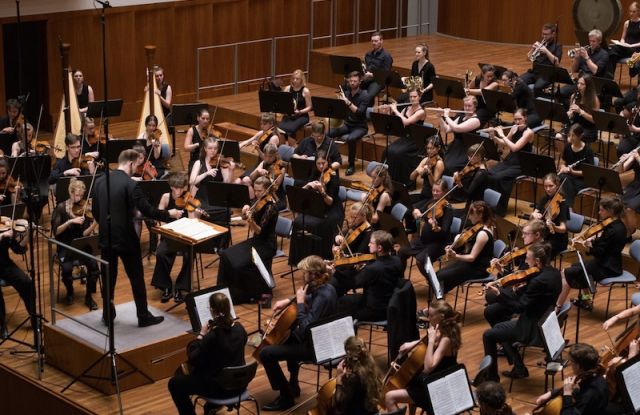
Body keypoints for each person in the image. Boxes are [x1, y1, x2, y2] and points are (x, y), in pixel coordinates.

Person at [92, 149, 183, 327]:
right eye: (136, 165)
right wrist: (169, 214)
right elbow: (148, 211)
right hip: (126, 238)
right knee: (136, 277)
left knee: (108, 277)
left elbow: (96, 211)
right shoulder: (131, 185)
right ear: (131, 163)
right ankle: (143, 315)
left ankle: (108, 314)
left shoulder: (100, 181)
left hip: (106, 237)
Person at [260, 255, 337, 411]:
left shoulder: (323, 295)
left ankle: (286, 397)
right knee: (288, 336)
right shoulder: (325, 287)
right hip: (315, 338)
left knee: (265, 353)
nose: (302, 275)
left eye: (304, 272)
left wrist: (300, 304)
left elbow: (305, 327)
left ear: (313, 274)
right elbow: (309, 297)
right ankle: (293, 385)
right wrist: (289, 301)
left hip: (316, 347)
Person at [483, 242, 561, 381]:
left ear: (537, 261)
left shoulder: (538, 281)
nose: (525, 261)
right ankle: (519, 367)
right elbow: (522, 284)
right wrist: (504, 273)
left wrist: (498, 294)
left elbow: (518, 307)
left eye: (527, 258)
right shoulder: (553, 273)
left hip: (532, 327)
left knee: (488, 335)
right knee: (498, 326)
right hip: (545, 321)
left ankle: (492, 378)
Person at [168, 292, 247, 415]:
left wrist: (201, 335)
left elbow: (193, 358)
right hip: (240, 384)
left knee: (174, 383)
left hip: (221, 388)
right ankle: (211, 407)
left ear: (212, 310)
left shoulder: (212, 336)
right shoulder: (240, 328)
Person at [384, 300, 461, 412]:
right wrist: (412, 344)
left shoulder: (447, 339)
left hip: (437, 388)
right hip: (434, 380)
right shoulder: (443, 328)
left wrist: (430, 340)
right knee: (411, 380)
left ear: (441, 316)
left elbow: (428, 367)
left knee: (389, 397)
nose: (428, 318)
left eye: (430, 315)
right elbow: (432, 339)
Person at [558, 196, 627, 310]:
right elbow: (606, 244)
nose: (599, 213)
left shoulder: (612, 230)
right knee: (577, 267)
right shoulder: (619, 225)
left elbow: (599, 252)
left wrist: (585, 248)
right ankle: (586, 299)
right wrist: (592, 241)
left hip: (607, 267)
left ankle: (557, 307)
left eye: (601, 210)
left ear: (610, 211)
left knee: (566, 273)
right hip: (610, 263)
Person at [217, 176, 278, 304]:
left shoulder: (271, 207)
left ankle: (243, 295)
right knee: (226, 255)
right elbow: (245, 218)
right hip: (256, 241)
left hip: (266, 245)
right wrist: (245, 213)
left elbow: (258, 230)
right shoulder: (258, 201)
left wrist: (250, 219)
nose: (256, 193)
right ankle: (222, 291)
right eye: (255, 190)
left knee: (238, 264)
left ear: (267, 190)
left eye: (259, 191)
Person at [484, 219, 546, 328]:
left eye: (526, 234)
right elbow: (518, 275)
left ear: (537, 235)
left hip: (524, 293)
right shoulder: (528, 249)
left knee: (491, 305)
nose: (522, 237)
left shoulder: (538, 253)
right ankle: (504, 323)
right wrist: (500, 268)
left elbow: (523, 278)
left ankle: (505, 327)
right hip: (518, 285)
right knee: (491, 298)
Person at [51, 179, 99, 309]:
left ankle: (89, 297)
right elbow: (56, 232)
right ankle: (70, 292)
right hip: (65, 245)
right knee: (66, 270)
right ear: (70, 193)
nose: (79, 198)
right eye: (76, 195)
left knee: (94, 267)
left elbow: (84, 234)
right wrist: (70, 222)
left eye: (81, 196)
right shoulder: (61, 208)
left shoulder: (84, 209)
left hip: (81, 244)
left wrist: (94, 223)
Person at [335, 230, 403, 321]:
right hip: (391, 305)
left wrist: (335, 273)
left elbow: (352, 284)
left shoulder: (373, 268)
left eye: (371, 243)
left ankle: (350, 332)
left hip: (374, 311)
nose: (368, 245)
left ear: (379, 248)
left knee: (340, 302)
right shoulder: (397, 260)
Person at [290, 150, 344, 261]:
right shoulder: (315, 173)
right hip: (316, 206)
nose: (320, 166)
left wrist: (322, 191)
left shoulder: (333, 177)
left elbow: (330, 201)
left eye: (323, 163)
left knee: (316, 226)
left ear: (328, 162)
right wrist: (308, 185)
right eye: (318, 163)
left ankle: (318, 259)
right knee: (298, 222)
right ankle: (301, 257)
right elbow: (303, 192)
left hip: (331, 210)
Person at [150, 173, 191, 303]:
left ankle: (180, 287)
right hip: (168, 234)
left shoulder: (188, 197)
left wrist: (194, 212)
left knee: (190, 255)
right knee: (161, 253)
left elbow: (192, 220)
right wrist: (164, 230)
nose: (178, 191)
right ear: (171, 186)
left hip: (184, 235)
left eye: (181, 188)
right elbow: (159, 216)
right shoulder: (166, 197)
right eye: (175, 188)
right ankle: (166, 286)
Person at [400, 179, 453, 279]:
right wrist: (416, 211)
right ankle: (401, 278)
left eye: (438, 191)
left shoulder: (448, 209)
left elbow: (445, 231)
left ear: (445, 192)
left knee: (420, 261)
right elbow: (420, 210)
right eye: (433, 190)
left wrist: (437, 228)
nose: (435, 193)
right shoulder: (432, 202)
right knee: (402, 251)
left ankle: (434, 283)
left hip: (438, 243)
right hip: (423, 240)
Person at [438, 200, 494, 293]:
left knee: (441, 277)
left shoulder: (483, 234)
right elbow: (468, 244)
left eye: (472, 213)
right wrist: (452, 246)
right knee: (439, 275)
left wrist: (455, 256)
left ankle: (438, 304)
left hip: (478, 268)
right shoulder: (477, 227)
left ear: (480, 216)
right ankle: (438, 304)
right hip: (470, 264)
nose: (469, 216)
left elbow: (472, 257)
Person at [534, 343, 608, 415]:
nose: (570, 365)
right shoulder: (595, 377)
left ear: (578, 366)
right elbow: (576, 390)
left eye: (571, 362)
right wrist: (552, 393)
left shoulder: (590, 393)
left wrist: (567, 394)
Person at [487, 108, 535, 215]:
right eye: (515, 119)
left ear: (525, 118)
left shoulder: (529, 133)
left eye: (520, 119)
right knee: (489, 174)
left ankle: (499, 208)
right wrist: (493, 136)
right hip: (510, 160)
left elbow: (514, 148)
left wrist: (502, 134)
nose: (517, 122)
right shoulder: (514, 128)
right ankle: (489, 205)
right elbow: (503, 143)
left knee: (498, 177)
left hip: (521, 164)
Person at [328, 71, 369, 176]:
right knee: (329, 133)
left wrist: (348, 103)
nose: (352, 83)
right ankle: (331, 158)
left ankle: (351, 165)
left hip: (360, 126)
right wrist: (338, 104)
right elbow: (341, 111)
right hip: (348, 124)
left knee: (351, 138)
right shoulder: (346, 94)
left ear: (360, 82)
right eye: (350, 81)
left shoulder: (364, 95)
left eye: (355, 81)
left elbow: (360, 113)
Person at [329, 336, 382, 415]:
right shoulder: (373, 369)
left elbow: (339, 404)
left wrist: (339, 379)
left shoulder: (354, 378)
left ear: (349, 353)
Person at [383, 88, 425, 187]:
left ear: (419, 97)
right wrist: (388, 112)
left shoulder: (421, 112)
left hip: (415, 140)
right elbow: (397, 121)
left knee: (398, 153)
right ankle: (389, 180)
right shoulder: (406, 108)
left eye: (415, 96)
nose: (412, 99)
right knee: (387, 150)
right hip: (405, 138)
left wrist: (395, 110)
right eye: (410, 97)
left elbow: (406, 122)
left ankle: (404, 183)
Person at [189, 137, 235, 224]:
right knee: (199, 210)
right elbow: (192, 181)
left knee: (226, 210)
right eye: (210, 148)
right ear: (205, 149)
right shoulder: (199, 163)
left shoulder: (221, 163)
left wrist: (231, 171)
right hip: (203, 197)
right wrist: (206, 173)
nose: (213, 151)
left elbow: (227, 183)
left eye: (215, 148)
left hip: (217, 197)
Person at [0, 221, 33, 340]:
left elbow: (18, 249)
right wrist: (1, 236)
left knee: (27, 282)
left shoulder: (4, 226)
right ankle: (1, 325)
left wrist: (28, 234)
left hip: (4, 264)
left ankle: (33, 316)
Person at [560, 29, 609, 100]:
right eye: (590, 41)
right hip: (580, 82)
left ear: (600, 42)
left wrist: (586, 57)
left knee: (577, 97)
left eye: (594, 41)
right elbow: (574, 70)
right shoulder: (586, 52)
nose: (591, 43)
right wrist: (576, 58)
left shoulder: (604, 54)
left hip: (592, 84)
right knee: (561, 92)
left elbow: (595, 71)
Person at [556, 124, 595, 207]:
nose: (570, 138)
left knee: (564, 181)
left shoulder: (588, 151)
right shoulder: (568, 147)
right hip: (569, 176)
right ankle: (569, 207)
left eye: (573, 136)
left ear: (580, 136)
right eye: (569, 135)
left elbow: (589, 172)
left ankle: (567, 207)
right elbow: (563, 161)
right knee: (562, 178)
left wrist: (573, 172)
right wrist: (562, 167)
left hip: (582, 179)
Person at [440, 96, 481, 175]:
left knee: (451, 166)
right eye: (465, 105)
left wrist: (446, 116)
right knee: (443, 164)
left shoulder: (475, 120)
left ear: (475, 107)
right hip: (455, 146)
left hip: (467, 149)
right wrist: (439, 117)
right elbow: (447, 129)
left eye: (469, 106)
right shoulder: (461, 117)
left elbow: (457, 128)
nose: (467, 108)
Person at [531, 173, 569, 258]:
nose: (548, 189)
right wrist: (534, 214)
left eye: (551, 186)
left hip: (558, 239)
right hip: (544, 234)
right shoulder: (544, 199)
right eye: (545, 186)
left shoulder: (562, 203)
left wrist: (554, 227)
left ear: (557, 185)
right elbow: (533, 214)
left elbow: (563, 229)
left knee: (539, 252)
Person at [520, 23, 563, 96]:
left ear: (553, 34)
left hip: (546, 75)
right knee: (519, 82)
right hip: (534, 72)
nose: (544, 36)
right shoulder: (540, 44)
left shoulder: (557, 46)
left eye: (546, 34)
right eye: (543, 34)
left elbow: (557, 63)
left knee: (537, 87)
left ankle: (538, 103)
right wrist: (532, 49)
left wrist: (546, 51)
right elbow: (528, 59)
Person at [561, 75, 600, 143]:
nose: (579, 86)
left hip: (588, 128)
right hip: (575, 126)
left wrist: (581, 111)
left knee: (571, 139)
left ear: (588, 86)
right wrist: (569, 114)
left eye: (582, 84)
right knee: (559, 137)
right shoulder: (574, 96)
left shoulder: (594, 100)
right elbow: (571, 115)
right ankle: (566, 153)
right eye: (578, 83)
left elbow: (595, 120)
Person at [411, 136, 445, 209]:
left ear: (438, 148)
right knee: (406, 202)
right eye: (428, 148)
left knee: (412, 209)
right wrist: (417, 171)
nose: (429, 151)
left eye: (432, 148)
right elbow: (411, 177)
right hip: (423, 194)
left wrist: (429, 173)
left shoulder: (439, 163)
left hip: (432, 197)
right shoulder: (426, 160)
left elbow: (434, 185)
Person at [279, 69, 312, 144]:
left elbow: (309, 107)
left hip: (301, 116)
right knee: (280, 129)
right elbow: (283, 103)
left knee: (290, 129)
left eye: (297, 79)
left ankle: (292, 151)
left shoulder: (305, 91)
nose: (294, 80)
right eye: (293, 78)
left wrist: (300, 111)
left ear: (301, 80)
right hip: (289, 115)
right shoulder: (287, 88)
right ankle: (282, 148)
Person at [607, 2, 640, 77]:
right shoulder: (627, 23)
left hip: (636, 50)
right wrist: (622, 43)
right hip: (626, 48)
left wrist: (631, 45)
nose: (631, 13)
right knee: (612, 51)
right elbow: (622, 38)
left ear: (638, 11)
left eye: (634, 11)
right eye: (630, 11)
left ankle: (633, 70)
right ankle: (610, 77)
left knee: (614, 50)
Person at [362, 31, 393, 105]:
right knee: (353, 89)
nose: (373, 43)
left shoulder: (386, 56)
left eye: (376, 41)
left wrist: (372, 75)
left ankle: (367, 113)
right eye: (372, 41)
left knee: (368, 96)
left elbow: (386, 73)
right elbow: (366, 68)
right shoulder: (368, 54)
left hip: (378, 81)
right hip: (367, 78)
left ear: (381, 41)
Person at [137, 114, 167, 178]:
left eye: (153, 126)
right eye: (149, 125)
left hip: (156, 163)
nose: (151, 128)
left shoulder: (158, 137)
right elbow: (138, 154)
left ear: (156, 126)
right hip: (144, 162)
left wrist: (155, 147)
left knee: (156, 174)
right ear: (146, 125)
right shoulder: (141, 137)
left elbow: (156, 157)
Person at [621, 147, 640, 211]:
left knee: (630, 207)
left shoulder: (637, 155)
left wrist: (637, 157)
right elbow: (622, 169)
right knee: (620, 201)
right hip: (636, 184)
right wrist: (624, 161)